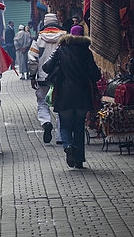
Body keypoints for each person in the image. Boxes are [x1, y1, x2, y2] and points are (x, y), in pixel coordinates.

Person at [42, 31, 101, 169]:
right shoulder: (86, 52)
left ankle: (68, 145)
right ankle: (79, 160)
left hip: (64, 94)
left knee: (65, 125)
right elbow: (95, 75)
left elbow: (46, 67)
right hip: (83, 94)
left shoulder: (61, 49)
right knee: (79, 126)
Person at [28, 18, 66, 144]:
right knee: (61, 106)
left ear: (44, 23)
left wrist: (33, 76)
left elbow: (32, 60)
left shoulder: (38, 39)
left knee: (43, 103)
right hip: (61, 79)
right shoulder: (65, 37)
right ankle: (61, 137)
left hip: (43, 78)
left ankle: (46, 122)